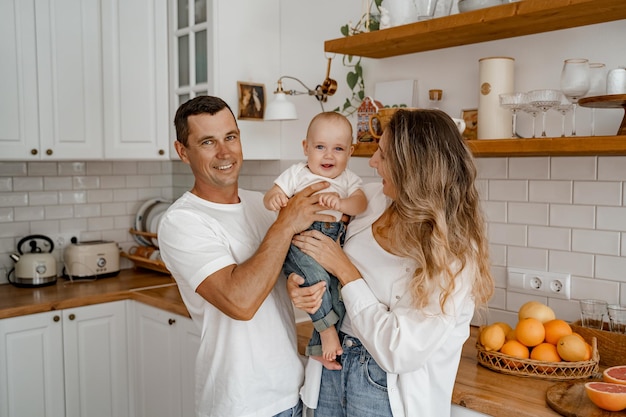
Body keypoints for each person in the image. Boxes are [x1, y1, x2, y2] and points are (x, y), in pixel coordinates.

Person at [287, 109, 495, 416]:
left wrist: (344, 269)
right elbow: (312, 250)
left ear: (412, 168)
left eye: (382, 155)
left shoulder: (455, 250)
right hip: (333, 359)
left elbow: (399, 351)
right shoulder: (368, 201)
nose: (372, 163)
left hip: (388, 388)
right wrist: (303, 287)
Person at [157, 95, 334, 417]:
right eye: (208, 142)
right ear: (183, 151)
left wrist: (294, 286)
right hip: (240, 402)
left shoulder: (263, 205)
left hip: (291, 389)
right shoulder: (181, 221)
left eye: (231, 137)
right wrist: (286, 223)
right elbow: (240, 302)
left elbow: (276, 273)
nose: (224, 153)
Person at [264, 112, 367, 364]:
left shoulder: (347, 180)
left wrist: (343, 202)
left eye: (338, 148)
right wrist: (275, 199)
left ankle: (319, 348)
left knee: (337, 291)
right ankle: (327, 331)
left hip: (333, 244)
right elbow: (271, 196)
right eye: (320, 147)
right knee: (317, 281)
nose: (329, 155)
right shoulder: (297, 173)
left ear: (350, 151)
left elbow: (360, 203)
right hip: (300, 243)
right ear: (305, 147)